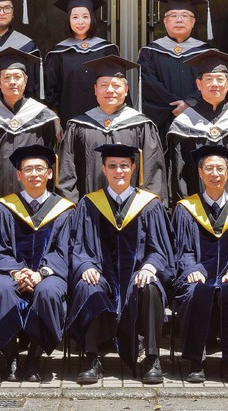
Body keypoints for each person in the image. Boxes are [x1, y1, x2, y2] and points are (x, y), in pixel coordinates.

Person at [68, 143, 175, 385]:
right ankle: (92, 357)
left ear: (133, 168)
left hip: (138, 276)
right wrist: (86, 266)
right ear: (104, 169)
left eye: (124, 166)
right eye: (113, 166)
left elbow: (160, 248)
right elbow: (79, 246)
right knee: (88, 285)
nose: (119, 171)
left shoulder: (150, 205)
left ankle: (152, 358)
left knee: (151, 286)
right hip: (102, 276)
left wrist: (149, 267)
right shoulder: (90, 204)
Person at [0, 145, 75, 383]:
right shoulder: (4, 208)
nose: (34, 174)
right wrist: (16, 272)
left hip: (48, 274)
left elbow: (63, 251)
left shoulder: (64, 210)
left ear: (49, 174)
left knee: (49, 291)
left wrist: (40, 274)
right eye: (28, 169)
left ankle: (34, 359)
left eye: (39, 169)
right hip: (10, 273)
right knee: (0, 288)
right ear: (19, 175)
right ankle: (11, 358)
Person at [172, 145, 228, 383]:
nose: (215, 174)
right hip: (199, 275)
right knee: (194, 293)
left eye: (220, 169)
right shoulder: (186, 209)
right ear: (200, 173)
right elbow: (182, 249)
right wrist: (191, 269)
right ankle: (196, 362)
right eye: (209, 168)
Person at [58, 55, 167, 203]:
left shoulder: (142, 125)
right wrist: (73, 208)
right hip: (88, 210)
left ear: (126, 90)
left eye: (116, 86)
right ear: (95, 89)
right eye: (104, 85)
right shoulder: (78, 126)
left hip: (133, 211)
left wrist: (146, 208)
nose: (110, 90)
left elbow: (153, 174)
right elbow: (67, 174)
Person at [166, 50, 228, 202]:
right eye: (208, 79)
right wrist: (185, 207)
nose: (214, 84)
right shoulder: (183, 124)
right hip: (195, 208)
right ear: (199, 84)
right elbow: (177, 173)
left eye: (220, 79)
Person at [0, 48, 61, 204]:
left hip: (35, 198)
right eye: (6, 77)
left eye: (17, 77)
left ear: (25, 80)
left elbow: (53, 161)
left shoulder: (43, 117)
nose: (12, 82)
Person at [138, 0, 213, 133]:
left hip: (197, 118)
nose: (179, 20)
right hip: (162, 120)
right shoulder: (150, 52)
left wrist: (190, 103)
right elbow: (149, 84)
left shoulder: (207, 52)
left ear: (193, 22)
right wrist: (176, 106)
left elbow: (210, 82)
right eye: (173, 15)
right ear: (165, 22)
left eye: (185, 15)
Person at [43, 0, 120, 123]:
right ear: (68, 20)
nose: (80, 22)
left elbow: (118, 87)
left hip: (105, 121)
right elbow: (51, 94)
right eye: (75, 17)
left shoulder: (107, 50)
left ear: (92, 19)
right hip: (69, 119)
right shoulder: (57, 54)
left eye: (85, 16)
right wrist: (56, 123)